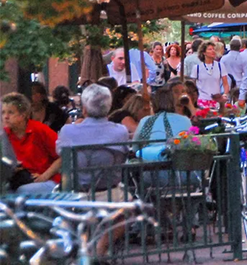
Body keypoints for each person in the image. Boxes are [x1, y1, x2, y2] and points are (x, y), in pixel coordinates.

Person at [56, 84, 130, 254]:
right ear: (109, 107)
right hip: (109, 194)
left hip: (76, 194)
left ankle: (86, 249)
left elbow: (60, 152)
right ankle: (100, 248)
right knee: (133, 209)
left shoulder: (68, 131)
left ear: (84, 109)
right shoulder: (120, 131)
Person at [2, 92, 61, 193]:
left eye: (10, 112)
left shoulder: (40, 130)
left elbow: (63, 156)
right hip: (18, 181)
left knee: (21, 191)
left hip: (47, 181)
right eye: (3, 112)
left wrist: (44, 176)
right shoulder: (4, 135)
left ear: (23, 115)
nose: (5, 117)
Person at [133, 85, 192, 162]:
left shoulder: (145, 121)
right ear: (173, 102)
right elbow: (190, 144)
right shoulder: (185, 120)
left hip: (150, 168)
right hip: (178, 167)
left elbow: (135, 147)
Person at [188, 41, 229, 109]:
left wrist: (225, 94)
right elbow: (192, 85)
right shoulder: (197, 68)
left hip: (216, 101)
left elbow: (225, 83)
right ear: (204, 52)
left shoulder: (220, 66)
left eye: (213, 49)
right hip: (201, 101)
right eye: (210, 49)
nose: (213, 51)